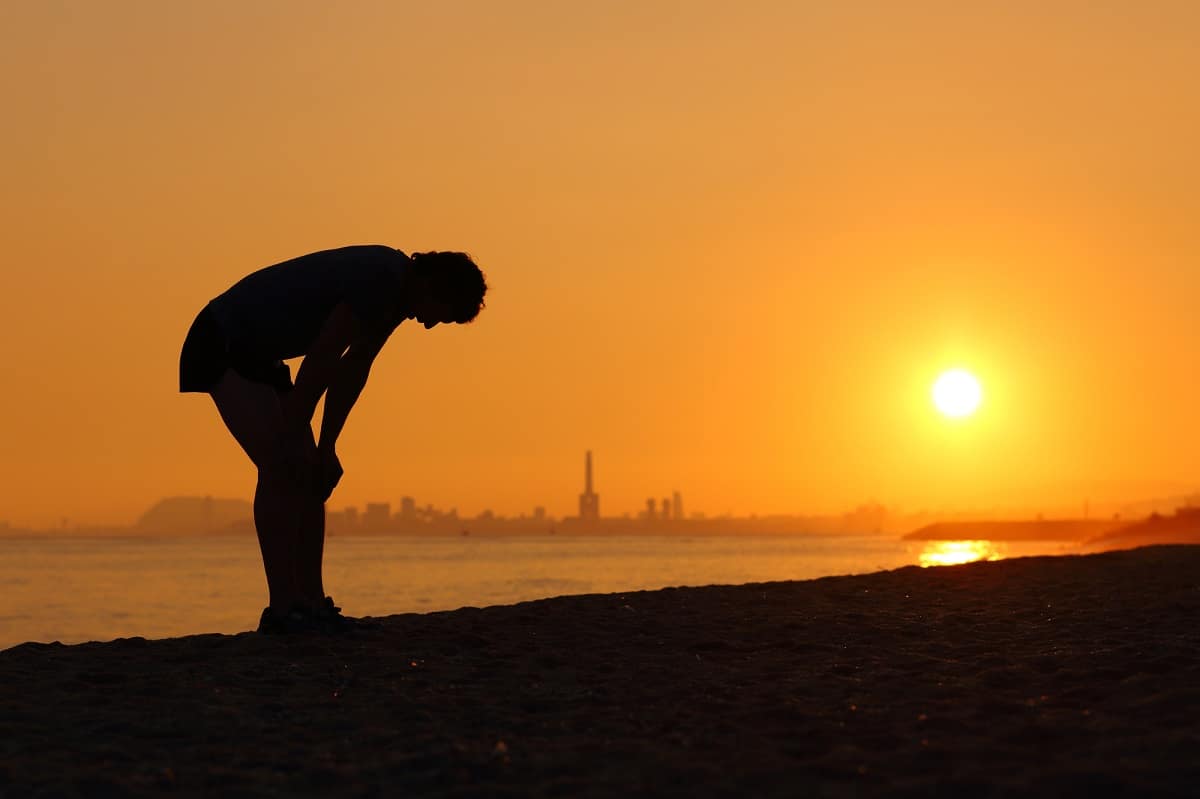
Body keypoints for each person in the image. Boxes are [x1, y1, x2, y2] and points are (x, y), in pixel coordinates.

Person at [179, 245, 487, 633]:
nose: (427, 326)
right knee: (282, 467)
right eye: (439, 317)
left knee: (311, 474)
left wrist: (327, 448)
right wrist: (294, 430)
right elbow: (324, 356)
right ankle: (282, 609)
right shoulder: (383, 278)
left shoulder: (396, 298)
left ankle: (309, 601)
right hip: (221, 341)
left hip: (262, 356)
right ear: (434, 286)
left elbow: (354, 368)